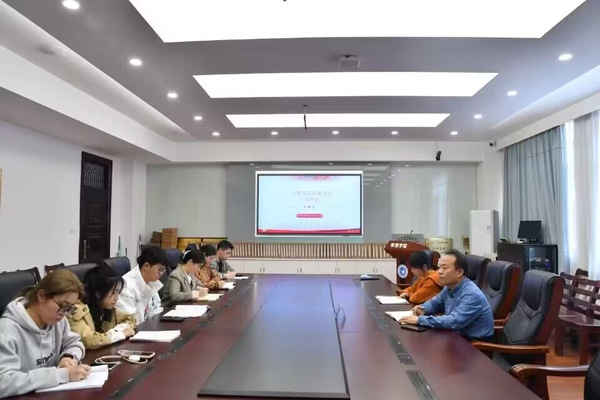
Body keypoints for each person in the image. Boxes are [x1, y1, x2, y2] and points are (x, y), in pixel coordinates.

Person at [0, 269, 91, 398]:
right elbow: (4, 382)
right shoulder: (6, 331)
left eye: (69, 308)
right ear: (41, 295)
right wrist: (62, 375)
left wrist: (68, 357)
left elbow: (75, 343)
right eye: (63, 306)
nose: (65, 314)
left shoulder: (58, 321)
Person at [400, 249, 494, 341]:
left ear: (459, 272)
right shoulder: (449, 287)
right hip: (455, 336)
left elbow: (453, 321)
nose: (439, 272)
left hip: (474, 345)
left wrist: (419, 320)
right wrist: (423, 308)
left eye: (444, 268)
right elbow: (435, 303)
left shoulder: (472, 294)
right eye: (439, 267)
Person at [68, 265, 136, 349]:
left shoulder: (104, 307)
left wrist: (116, 331)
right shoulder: (75, 310)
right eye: (114, 292)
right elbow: (89, 340)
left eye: (118, 292)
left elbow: (130, 318)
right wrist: (120, 334)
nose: (117, 297)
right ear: (98, 293)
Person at [117, 246, 168, 324]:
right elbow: (129, 321)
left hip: (147, 327)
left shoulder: (151, 281)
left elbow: (156, 308)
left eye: (163, 270)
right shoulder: (127, 286)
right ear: (146, 266)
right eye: (159, 270)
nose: (161, 274)